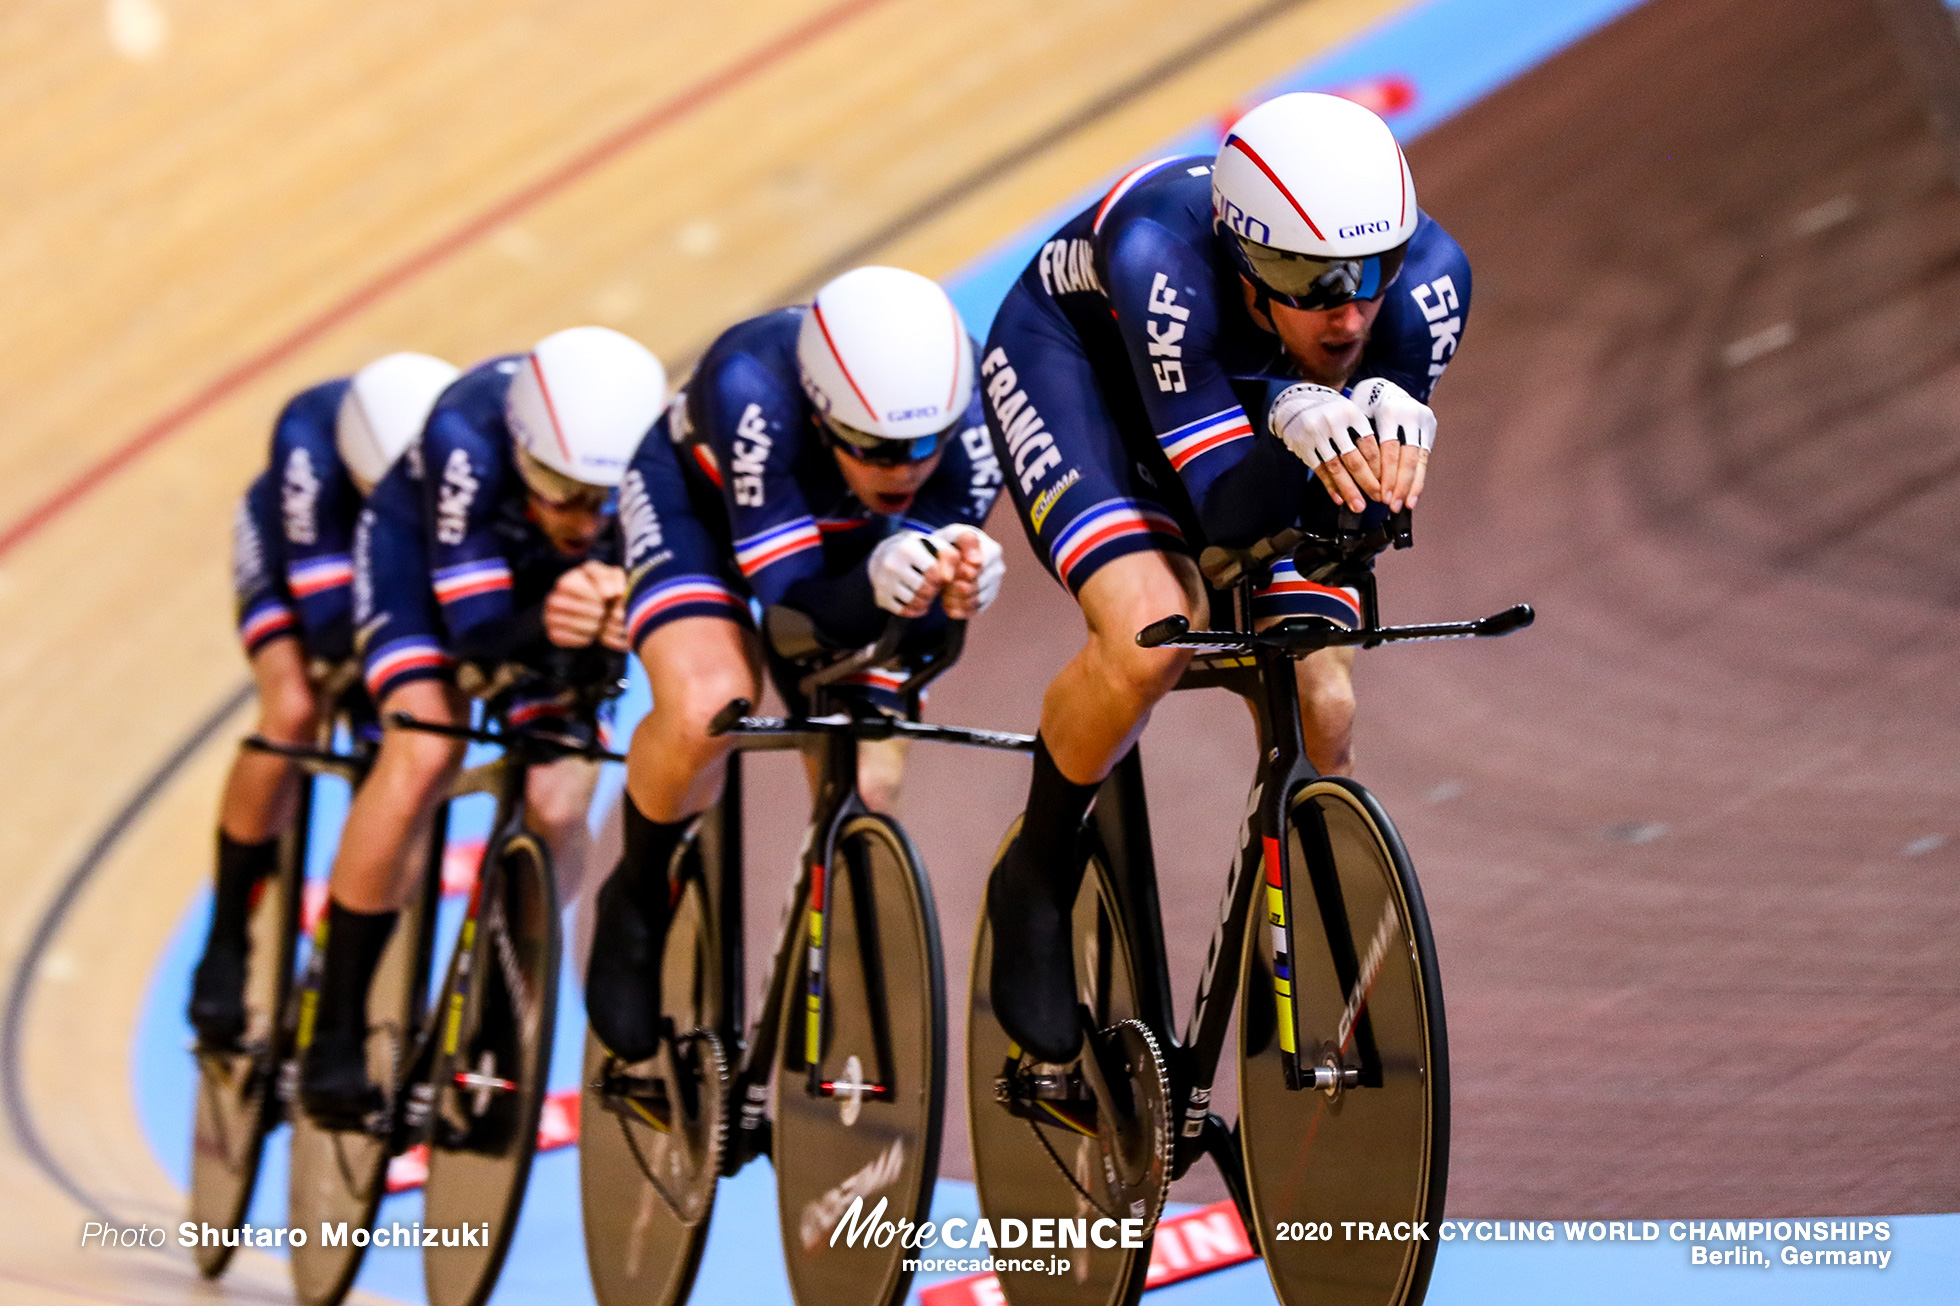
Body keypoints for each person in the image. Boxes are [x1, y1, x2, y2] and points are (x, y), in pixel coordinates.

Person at [979, 92, 1473, 1063]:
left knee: (1320, 695)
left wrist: (1367, 466)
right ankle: (1035, 876)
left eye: (1372, 273)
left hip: (1234, 396)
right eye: (1308, 280)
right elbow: (1223, 517)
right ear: (1244, 257)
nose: (1346, 311)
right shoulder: (1158, 257)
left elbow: (1352, 518)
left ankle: (1300, 933)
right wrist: (1292, 424)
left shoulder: (1430, 287)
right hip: (1082, 376)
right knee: (1146, 634)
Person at [584, 265, 1011, 1063]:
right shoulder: (752, 385)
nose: (906, 468)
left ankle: (834, 962)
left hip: (844, 540)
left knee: (870, 778)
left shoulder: (974, 409)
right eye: (877, 448)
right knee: (711, 702)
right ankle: (637, 894)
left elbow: (908, 648)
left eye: (927, 446)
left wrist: (955, 587)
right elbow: (791, 622)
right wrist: (879, 580)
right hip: (701, 516)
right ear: (821, 415)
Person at [298, 326, 666, 1125]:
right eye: (558, 487)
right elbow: (477, 646)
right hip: (425, 574)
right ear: (520, 447)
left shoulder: (642, 468)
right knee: (425, 746)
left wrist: (611, 618)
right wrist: (560, 617)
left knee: (563, 802)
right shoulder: (465, 435)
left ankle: (503, 1020)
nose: (579, 516)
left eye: (601, 498)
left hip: (550, 596)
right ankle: (333, 1028)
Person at [190, 353, 459, 1048]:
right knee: (295, 709)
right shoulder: (309, 436)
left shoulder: (456, 451)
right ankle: (228, 936)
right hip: (297, 560)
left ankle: (361, 960)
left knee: (410, 764)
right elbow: (338, 626)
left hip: (406, 563)